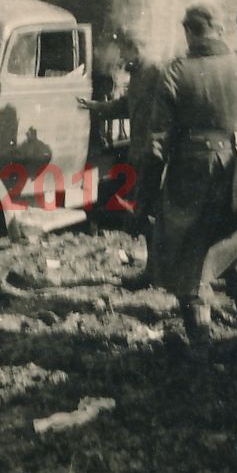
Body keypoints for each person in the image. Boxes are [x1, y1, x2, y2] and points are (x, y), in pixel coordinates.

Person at [145, 5, 237, 348]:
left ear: (189, 32)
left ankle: (201, 343)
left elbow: (157, 140)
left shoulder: (175, 71)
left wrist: (146, 193)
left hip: (189, 175)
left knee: (190, 255)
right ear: (220, 30)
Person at [77, 30, 162, 285]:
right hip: (139, 151)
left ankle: (157, 271)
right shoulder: (138, 75)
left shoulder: (156, 72)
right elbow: (125, 106)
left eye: (125, 53)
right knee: (143, 212)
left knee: (151, 213)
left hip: (154, 153)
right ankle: (153, 269)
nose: (122, 59)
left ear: (136, 49)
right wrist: (95, 107)